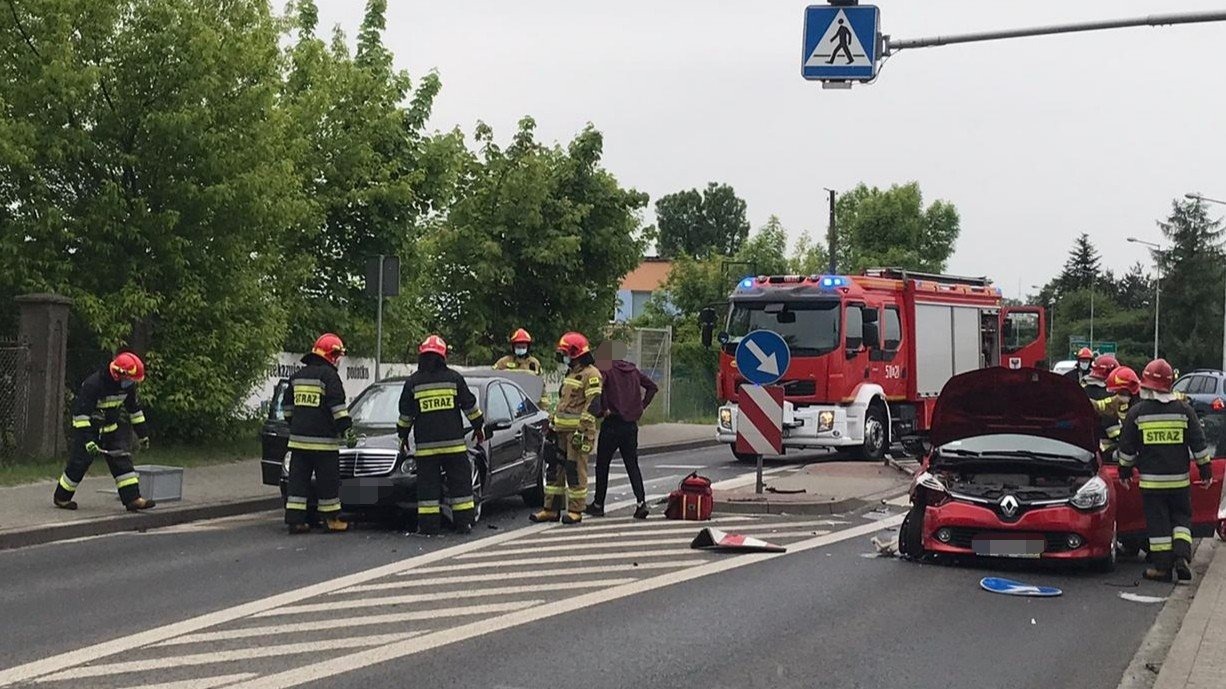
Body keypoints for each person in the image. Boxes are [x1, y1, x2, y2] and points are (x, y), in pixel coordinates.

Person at [1116, 358, 1213, 583]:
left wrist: (1124, 472)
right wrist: (1206, 470)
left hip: (1152, 484)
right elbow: (1198, 443)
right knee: (1181, 518)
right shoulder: (1184, 410)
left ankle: (1162, 568)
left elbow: (1126, 449)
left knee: (1158, 525)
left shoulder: (1137, 413)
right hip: (1179, 482)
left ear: (1147, 386)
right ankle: (1182, 557)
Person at [397, 335, 485, 536]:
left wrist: (402, 437)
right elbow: (470, 407)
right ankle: (464, 524)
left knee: (428, 489)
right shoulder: (454, 378)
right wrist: (479, 428)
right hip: (454, 446)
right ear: (443, 356)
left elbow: (405, 416)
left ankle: (429, 527)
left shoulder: (413, 382)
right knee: (461, 486)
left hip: (426, 448)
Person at [53, 352, 155, 512]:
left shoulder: (127, 387)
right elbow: (80, 416)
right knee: (79, 464)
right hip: (88, 430)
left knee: (122, 462)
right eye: (129, 380)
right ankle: (62, 497)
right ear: (118, 374)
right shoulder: (94, 385)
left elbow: (134, 410)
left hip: (111, 429)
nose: (130, 383)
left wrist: (143, 434)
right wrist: (88, 441)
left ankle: (133, 499)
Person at [283, 333, 357, 535]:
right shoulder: (329, 377)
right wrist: (346, 429)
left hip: (298, 443)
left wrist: (298, 425)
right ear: (331, 355)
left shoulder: (297, 377)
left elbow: (287, 410)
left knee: (297, 483)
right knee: (328, 483)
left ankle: (295, 521)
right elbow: (338, 410)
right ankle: (331, 520)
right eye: (338, 356)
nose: (339, 360)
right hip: (324, 444)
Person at [531, 332, 602, 525]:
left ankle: (576, 510)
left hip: (577, 433)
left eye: (565, 352)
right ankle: (551, 509)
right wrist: (553, 422)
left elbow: (593, 405)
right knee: (555, 470)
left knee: (575, 470)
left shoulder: (591, 375)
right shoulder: (571, 373)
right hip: (561, 431)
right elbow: (564, 402)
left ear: (575, 353)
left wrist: (583, 429)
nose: (563, 356)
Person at [586, 340, 657, 520]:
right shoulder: (632, 370)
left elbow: (597, 390)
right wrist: (641, 406)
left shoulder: (605, 370)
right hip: (630, 425)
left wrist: (601, 410)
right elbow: (652, 387)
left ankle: (598, 504)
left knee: (602, 465)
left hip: (612, 423)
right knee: (632, 464)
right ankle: (641, 503)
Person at [1092, 366, 1139, 458]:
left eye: (1119, 392)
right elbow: (1099, 405)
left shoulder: (1139, 407)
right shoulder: (1116, 402)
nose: (1116, 396)